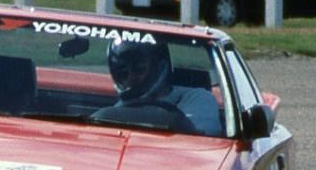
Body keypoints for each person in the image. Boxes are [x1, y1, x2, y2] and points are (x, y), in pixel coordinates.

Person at [94, 38, 223, 136]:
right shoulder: (112, 113)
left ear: (159, 67)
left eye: (138, 69)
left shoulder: (199, 99)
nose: (130, 77)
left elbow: (200, 147)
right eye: (121, 72)